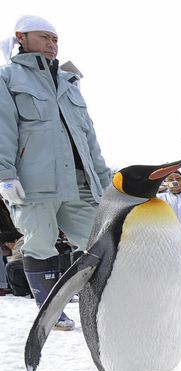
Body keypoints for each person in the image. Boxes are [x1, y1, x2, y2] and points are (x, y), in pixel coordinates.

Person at [0, 15, 113, 331]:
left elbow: (88, 136)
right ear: (21, 37)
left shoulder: (68, 81)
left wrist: (105, 182)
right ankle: (49, 311)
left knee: (99, 240)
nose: (52, 45)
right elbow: (2, 128)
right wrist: (4, 173)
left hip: (79, 182)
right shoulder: (7, 78)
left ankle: (106, 305)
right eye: (44, 38)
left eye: (55, 40)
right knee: (41, 242)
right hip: (35, 182)